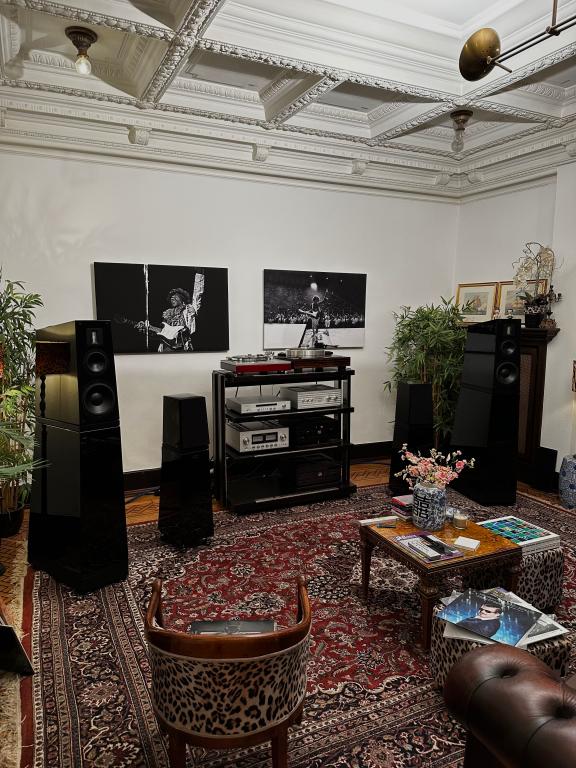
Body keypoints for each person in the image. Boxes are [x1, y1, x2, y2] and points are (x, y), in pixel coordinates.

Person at [135, 285, 202, 352]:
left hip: (182, 346)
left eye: (175, 297)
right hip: (167, 347)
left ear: (182, 299)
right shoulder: (167, 313)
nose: (172, 299)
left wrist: (194, 310)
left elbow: (197, 297)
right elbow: (163, 331)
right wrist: (148, 327)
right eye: (171, 298)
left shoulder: (187, 310)